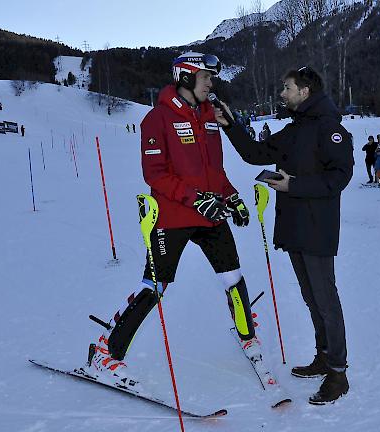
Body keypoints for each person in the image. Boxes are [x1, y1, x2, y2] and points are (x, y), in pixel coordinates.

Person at [85, 52, 264, 390]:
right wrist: (197, 199)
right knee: (155, 285)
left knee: (233, 276)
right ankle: (105, 352)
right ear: (185, 78)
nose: (211, 84)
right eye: (205, 77)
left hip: (211, 213)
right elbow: (155, 174)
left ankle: (248, 336)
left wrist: (233, 196)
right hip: (173, 215)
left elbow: (215, 171)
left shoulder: (209, 116)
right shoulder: (158, 119)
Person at [217, 66, 353, 404]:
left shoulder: (330, 129)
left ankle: (338, 373)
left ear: (304, 91)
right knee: (311, 297)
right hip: (294, 226)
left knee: (326, 300)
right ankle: (323, 356)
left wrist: (294, 185)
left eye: (286, 87)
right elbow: (255, 154)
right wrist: (230, 125)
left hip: (318, 228)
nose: (282, 93)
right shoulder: (294, 130)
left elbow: (339, 177)